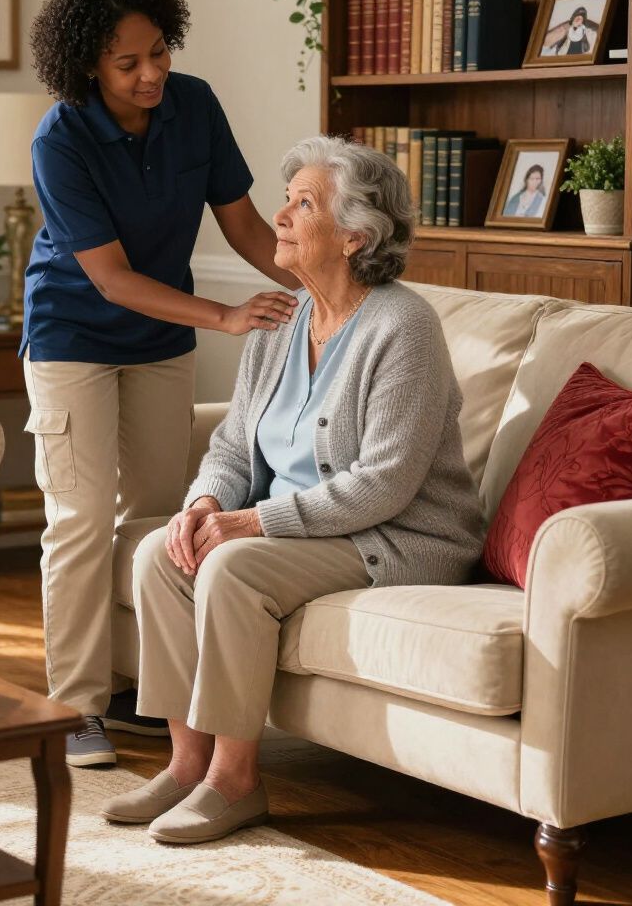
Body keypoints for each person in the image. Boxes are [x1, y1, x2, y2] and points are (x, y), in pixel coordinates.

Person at [100, 136, 484, 843]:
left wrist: (251, 524)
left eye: (302, 204)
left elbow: (383, 486)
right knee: (162, 550)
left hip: (395, 537)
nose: (279, 215)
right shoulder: (278, 324)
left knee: (234, 566)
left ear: (354, 235)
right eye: (288, 200)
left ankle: (235, 781)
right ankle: (187, 766)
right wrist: (207, 504)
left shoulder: (404, 327)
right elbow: (230, 446)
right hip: (307, 526)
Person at [22, 0, 299, 768]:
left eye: (158, 55)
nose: (150, 76)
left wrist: (324, 284)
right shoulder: (61, 139)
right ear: (87, 68)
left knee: (150, 518)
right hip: (73, 334)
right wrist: (224, 316)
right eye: (126, 64)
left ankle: (133, 688)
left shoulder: (195, 105)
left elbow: (246, 226)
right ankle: (71, 707)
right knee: (77, 521)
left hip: (158, 340)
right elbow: (108, 277)